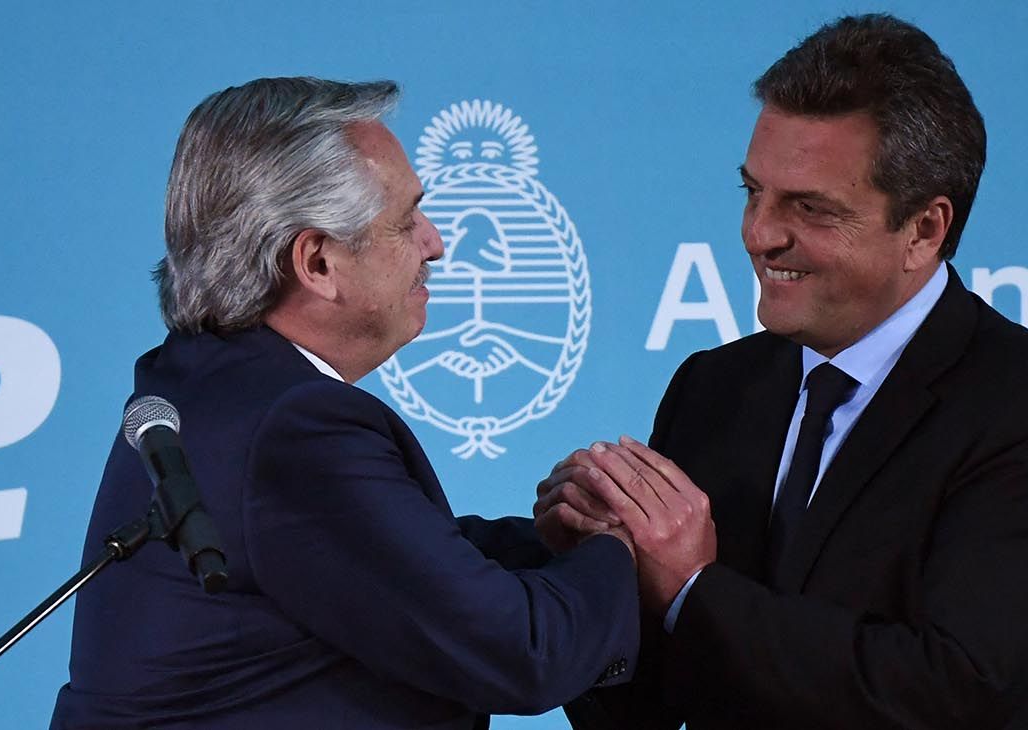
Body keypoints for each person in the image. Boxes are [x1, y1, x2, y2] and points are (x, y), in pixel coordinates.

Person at [536, 14, 1028, 729]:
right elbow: (644, 707)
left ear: (924, 230)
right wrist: (598, 577)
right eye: (753, 192)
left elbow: (959, 694)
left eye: (808, 208)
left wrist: (691, 586)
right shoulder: (714, 389)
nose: (759, 233)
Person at [51, 77, 639, 730]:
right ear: (318, 263)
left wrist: (554, 544)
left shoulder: (200, 378)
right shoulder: (293, 428)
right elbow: (525, 654)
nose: (435, 242)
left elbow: (366, 552)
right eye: (406, 220)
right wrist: (626, 546)